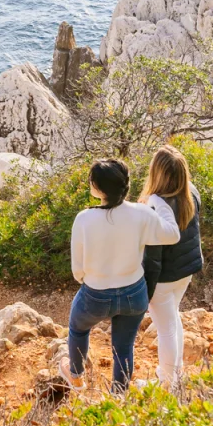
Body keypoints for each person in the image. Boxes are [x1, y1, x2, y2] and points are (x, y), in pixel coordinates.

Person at [59, 158, 180, 393]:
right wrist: (159, 202)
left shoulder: (84, 219)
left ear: (97, 187)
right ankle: (119, 396)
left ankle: (76, 377)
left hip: (95, 295)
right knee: (123, 347)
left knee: (78, 329)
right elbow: (172, 235)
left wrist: (90, 279)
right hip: (133, 294)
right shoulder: (142, 213)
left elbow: (78, 270)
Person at [140, 145, 203, 389]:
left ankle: (167, 384)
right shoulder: (191, 192)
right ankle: (175, 375)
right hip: (184, 272)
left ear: (157, 173)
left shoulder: (155, 206)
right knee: (172, 318)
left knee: (165, 329)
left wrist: (145, 290)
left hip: (163, 278)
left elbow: (152, 257)